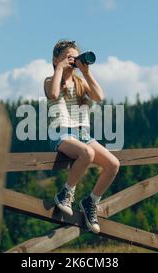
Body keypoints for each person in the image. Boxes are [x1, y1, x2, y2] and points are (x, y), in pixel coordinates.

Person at [43, 40, 120, 234]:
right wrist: (59, 68)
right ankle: (66, 193)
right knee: (86, 153)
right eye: (67, 57)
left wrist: (85, 71)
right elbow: (52, 94)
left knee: (113, 164)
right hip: (60, 132)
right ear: (55, 59)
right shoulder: (50, 81)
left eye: (74, 57)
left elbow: (99, 96)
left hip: (82, 134)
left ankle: (91, 201)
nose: (72, 60)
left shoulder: (80, 82)